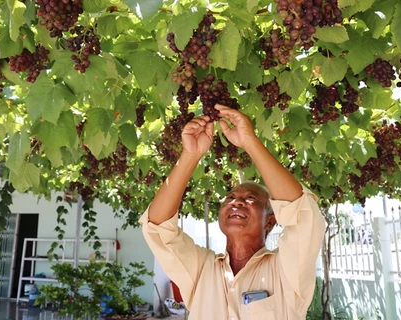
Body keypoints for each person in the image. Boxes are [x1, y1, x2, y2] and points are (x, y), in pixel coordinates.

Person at [140, 104, 326, 320]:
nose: (236, 202)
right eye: (230, 198)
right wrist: (190, 155)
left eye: (250, 199)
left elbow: (302, 214)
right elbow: (158, 226)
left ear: (271, 221)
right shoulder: (201, 268)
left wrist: (250, 142)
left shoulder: (286, 270)